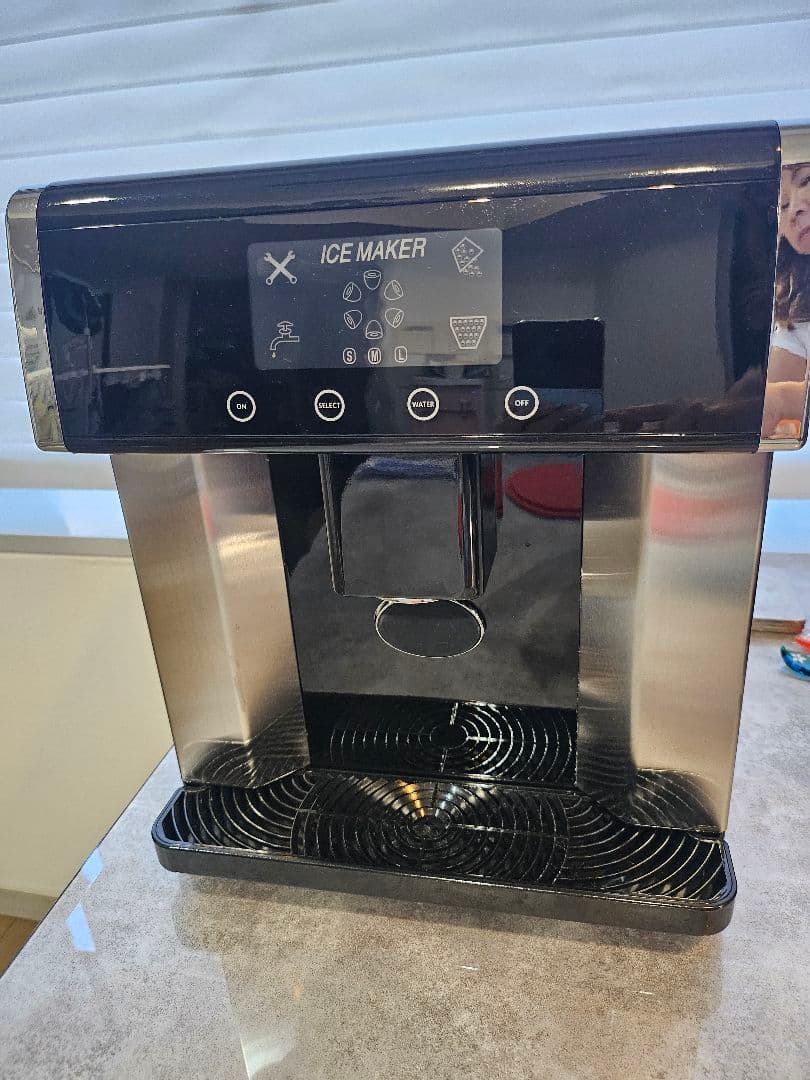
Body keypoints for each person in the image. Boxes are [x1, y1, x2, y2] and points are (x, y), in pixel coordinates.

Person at [763, 163, 810, 439]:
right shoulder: (794, 320)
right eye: (783, 205)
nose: (795, 210)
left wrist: (785, 399)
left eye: (807, 180)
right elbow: (765, 405)